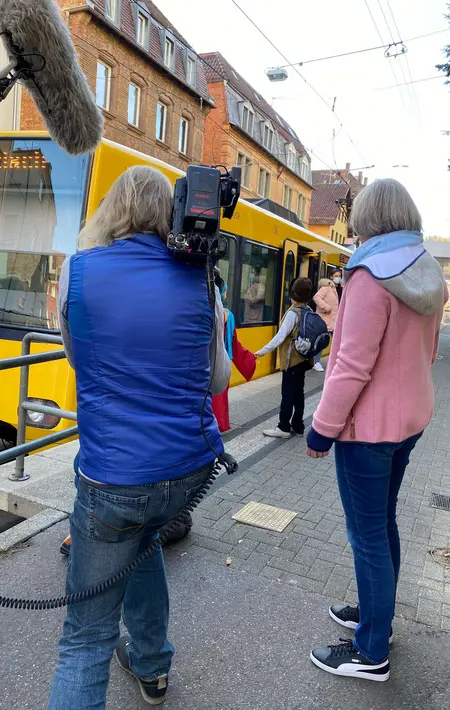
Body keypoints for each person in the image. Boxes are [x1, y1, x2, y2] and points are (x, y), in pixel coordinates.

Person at [48, 165, 231, 710]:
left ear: (111, 209)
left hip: (114, 479)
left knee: (86, 638)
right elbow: (218, 379)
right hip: (186, 472)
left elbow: (78, 359)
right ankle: (151, 666)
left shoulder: (77, 271)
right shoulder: (201, 279)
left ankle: (144, 659)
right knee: (145, 539)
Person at [306, 178, 447, 682]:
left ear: (368, 218)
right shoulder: (428, 272)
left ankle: (371, 653)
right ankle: (376, 620)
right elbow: (428, 353)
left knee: (366, 535)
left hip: (367, 430)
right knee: (382, 524)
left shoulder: (368, 276)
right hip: (409, 422)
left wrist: (321, 428)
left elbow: (350, 364)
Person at [255, 277, 313, 438]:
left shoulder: (293, 313)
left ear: (292, 294)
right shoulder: (309, 310)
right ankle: (298, 425)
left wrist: (261, 351)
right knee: (298, 394)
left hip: (292, 361)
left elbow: (280, 337)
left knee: (288, 394)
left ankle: (283, 428)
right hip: (304, 360)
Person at [212, 270, 256, 432]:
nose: (226, 294)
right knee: (220, 395)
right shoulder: (227, 315)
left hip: (203, 360)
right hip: (221, 360)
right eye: (225, 291)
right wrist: (251, 359)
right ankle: (219, 423)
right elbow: (234, 344)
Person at [312, 278, 339, 372]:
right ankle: (316, 362)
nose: (338, 277)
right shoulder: (326, 287)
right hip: (325, 320)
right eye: (336, 275)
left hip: (334, 320)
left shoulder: (335, 288)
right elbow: (316, 297)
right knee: (322, 341)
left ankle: (336, 362)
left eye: (339, 275)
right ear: (331, 277)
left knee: (336, 342)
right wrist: (326, 307)